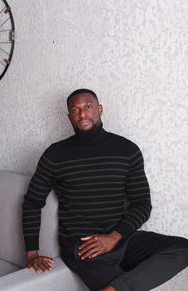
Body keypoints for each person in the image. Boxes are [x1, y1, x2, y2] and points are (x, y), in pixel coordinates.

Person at [22, 89, 188, 291]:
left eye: (87, 107)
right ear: (69, 117)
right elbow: (32, 202)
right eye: (75, 111)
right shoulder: (55, 155)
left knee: (183, 248)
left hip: (122, 238)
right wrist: (32, 254)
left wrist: (115, 236)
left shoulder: (127, 150)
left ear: (99, 109)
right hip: (83, 246)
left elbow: (142, 204)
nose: (82, 114)